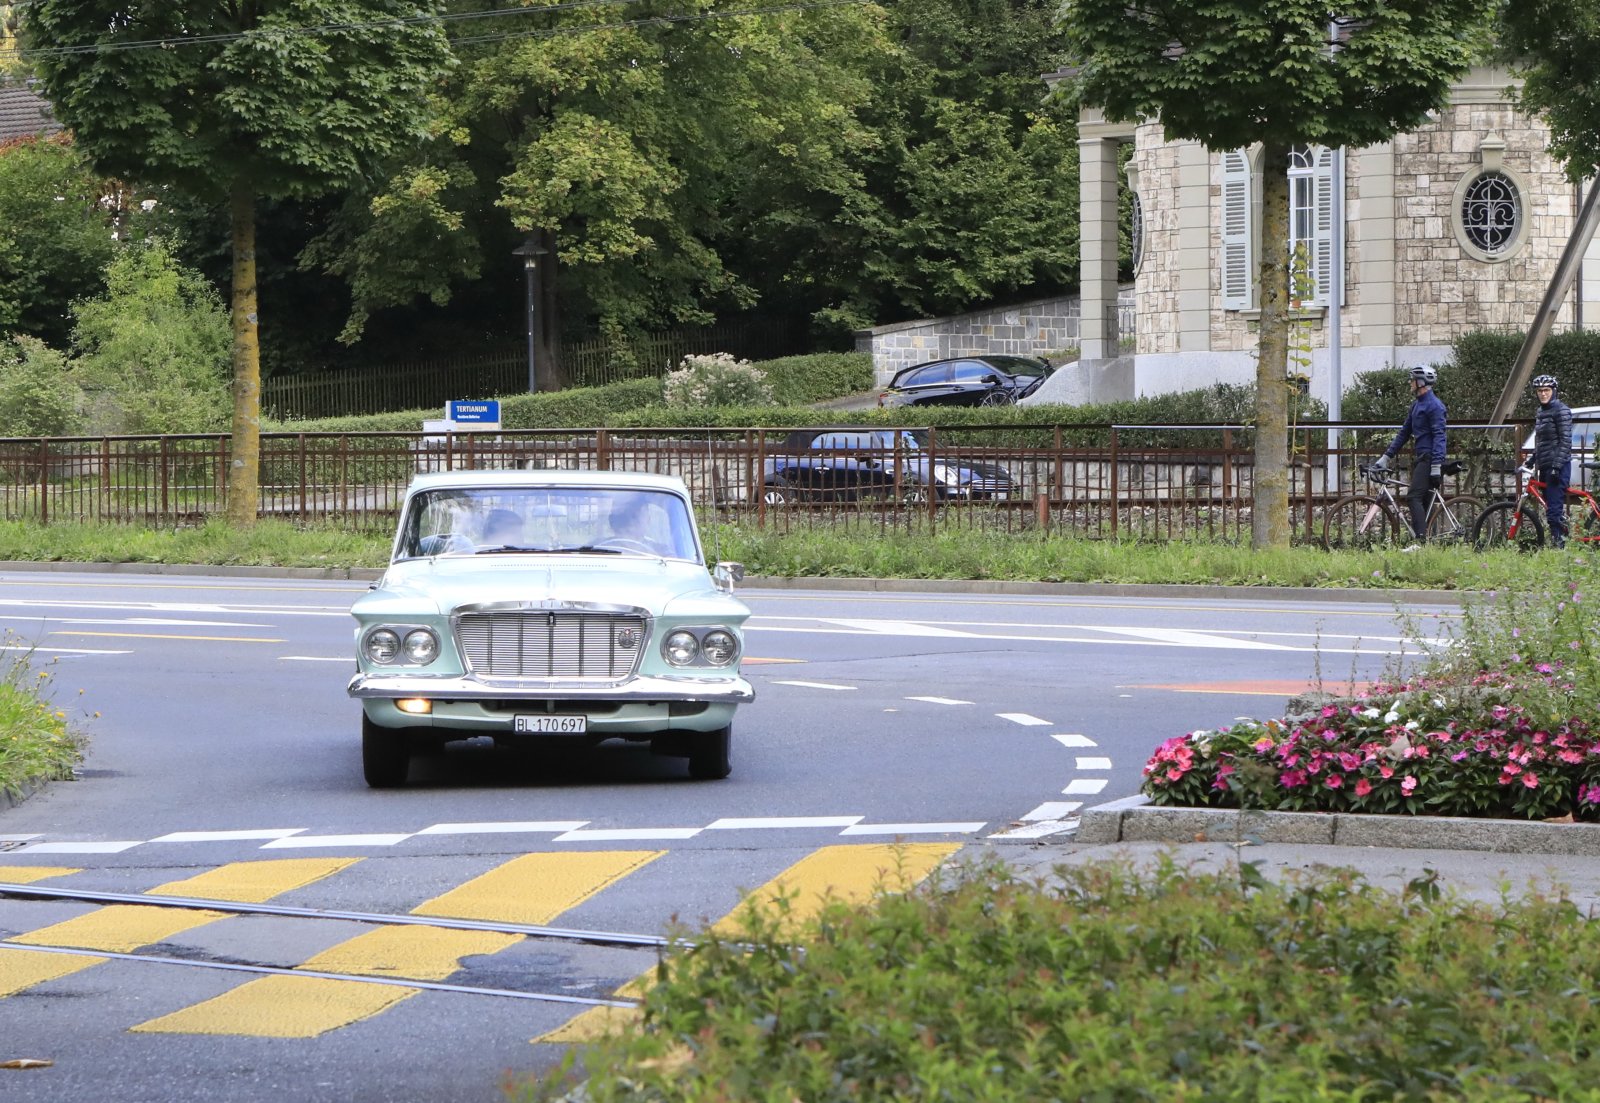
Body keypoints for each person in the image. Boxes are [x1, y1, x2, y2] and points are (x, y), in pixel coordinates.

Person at [1373, 365, 1447, 541]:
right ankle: (1429, 540)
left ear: (1421, 382)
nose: (1410, 383)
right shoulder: (1416, 405)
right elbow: (1404, 433)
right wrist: (1386, 457)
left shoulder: (1435, 406)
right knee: (1425, 501)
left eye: (1412, 380)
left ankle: (1420, 540)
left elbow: (1439, 435)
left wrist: (1436, 465)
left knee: (1413, 497)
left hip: (1430, 458)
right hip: (1422, 457)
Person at [1528, 373, 1573, 548]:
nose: (1543, 394)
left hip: (1558, 466)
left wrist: (1556, 466)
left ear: (1554, 391)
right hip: (1546, 466)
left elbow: (1565, 441)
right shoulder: (1541, 412)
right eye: (1539, 391)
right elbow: (1542, 441)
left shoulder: (1561, 410)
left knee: (1554, 510)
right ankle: (1561, 540)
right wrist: (1532, 459)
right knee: (1550, 508)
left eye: (1546, 390)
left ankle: (1559, 547)